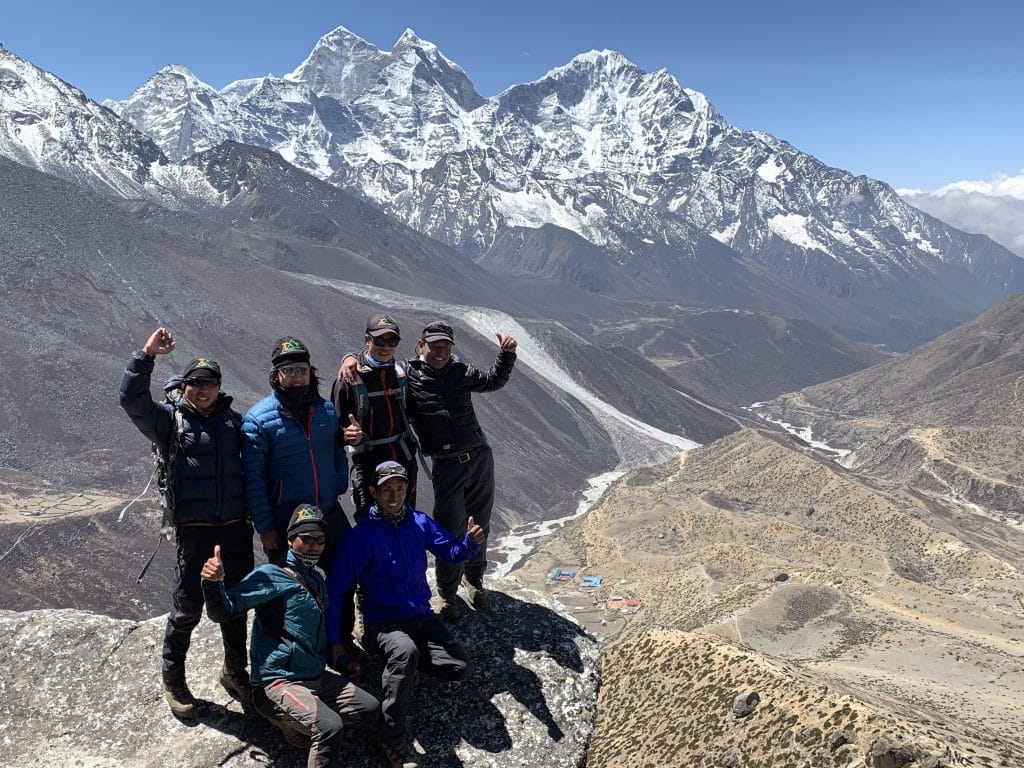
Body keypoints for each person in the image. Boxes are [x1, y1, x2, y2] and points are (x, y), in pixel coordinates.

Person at [337, 322, 517, 620]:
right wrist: (348, 357)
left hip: (480, 456)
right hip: (446, 464)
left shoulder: (461, 371)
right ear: (421, 346)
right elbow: (379, 367)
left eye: (446, 346)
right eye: (434, 346)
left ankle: (475, 581)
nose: (440, 352)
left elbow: (493, 381)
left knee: (480, 522)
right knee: (450, 527)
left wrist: (506, 354)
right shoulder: (408, 375)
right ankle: (448, 594)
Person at [118, 326, 253, 719]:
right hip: (194, 532)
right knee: (187, 608)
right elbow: (131, 399)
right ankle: (173, 679)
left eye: (209, 382)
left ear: (219, 386)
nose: (202, 389)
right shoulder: (170, 423)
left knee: (237, 605)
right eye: (195, 382)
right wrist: (146, 356)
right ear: (186, 386)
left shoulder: (236, 424)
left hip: (234, 528)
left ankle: (235, 671)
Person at [326, 461, 485, 768]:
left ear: (408, 489)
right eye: (387, 490)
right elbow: (337, 590)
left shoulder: (419, 522)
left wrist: (469, 543)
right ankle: (390, 734)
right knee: (405, 649)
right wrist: (336, 641)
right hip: (383, 623)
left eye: (399, 488)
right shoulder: (361, 537)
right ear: (374, 492)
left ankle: (402, 667)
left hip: (420, 619)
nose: (394, 495)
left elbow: (450, 552)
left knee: (459, 667)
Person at [201, 504, 384, 768]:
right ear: (290, 540)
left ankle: (299, 724)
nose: (314, 546)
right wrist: (212, 583)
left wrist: (341, 662)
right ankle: (297, 721)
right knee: (330, 727)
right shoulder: (272, 576)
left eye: (320, 540)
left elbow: (314, 636)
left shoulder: (318, 580)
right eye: (306, 539)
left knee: (369, 708)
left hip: (315, 678)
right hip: (279, 683)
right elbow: (224, 610)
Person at [331, 313, 419, 518]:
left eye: (392, 341)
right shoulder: (349, 379)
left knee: (406, 522)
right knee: (371, 527)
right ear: (367, 340)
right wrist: (346, 434)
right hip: (369, 464)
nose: (385, 347)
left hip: (403, 461)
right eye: (379, 340)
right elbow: (334, 429)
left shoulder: (401, 373)